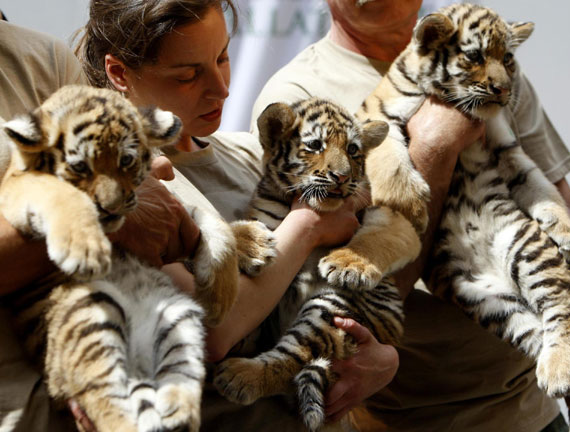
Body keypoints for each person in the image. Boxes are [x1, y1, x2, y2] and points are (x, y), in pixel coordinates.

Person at [250, 1, 570, 431]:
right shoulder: (299, 95)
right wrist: (434, 150)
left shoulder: (489, 57)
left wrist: (555, 278)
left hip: (532, 405)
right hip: (410, 418)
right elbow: (344, 301)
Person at [75, 0, 397, 430]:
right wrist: (307, 225)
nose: (221, 88)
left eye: (223, 57)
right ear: (119, 73)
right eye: (188, 75)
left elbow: (352, 297)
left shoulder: (250, 153)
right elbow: (211, 330)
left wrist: (384, 359)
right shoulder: (120, 185)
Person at [0, 19, 207, 432]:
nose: (219, 88)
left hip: (116, 369)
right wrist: (100, 222)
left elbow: (164, 221)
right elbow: (127, 212)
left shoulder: (44, 57)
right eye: (187, 74)